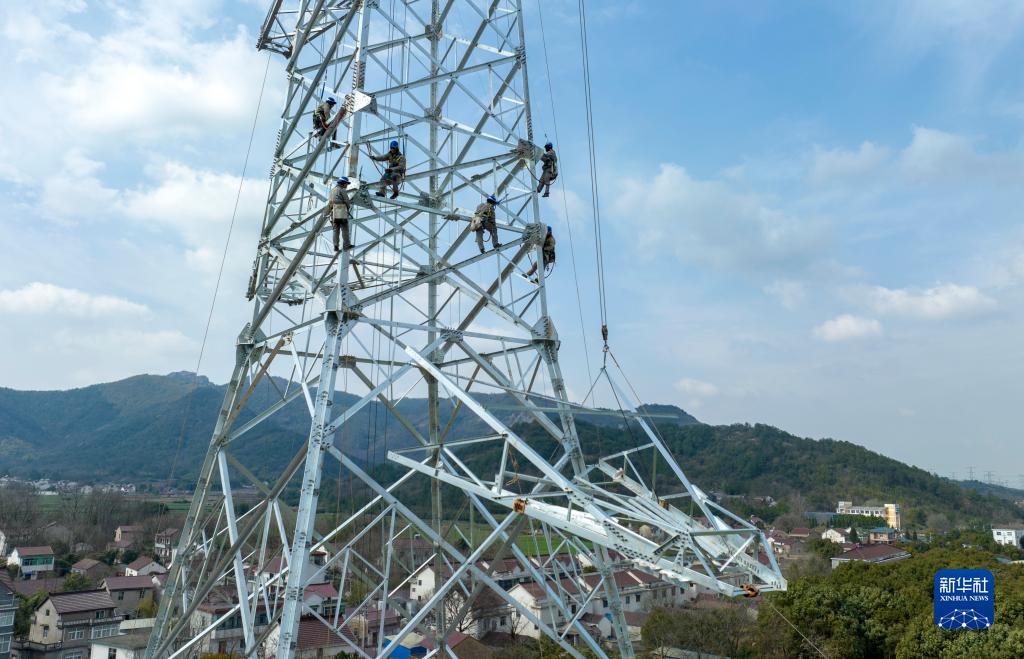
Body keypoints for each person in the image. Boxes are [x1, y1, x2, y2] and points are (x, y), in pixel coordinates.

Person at [327, 176, 353, 251]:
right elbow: (347, 201)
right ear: (343, 183)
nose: (347, 185)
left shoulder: (332, 190)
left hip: (333, 212)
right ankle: (346, 245)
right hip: (341, 210)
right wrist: (348, 208)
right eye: (346, 184)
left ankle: (336, 246)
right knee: (345, 229)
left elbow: (330, 202)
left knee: (336, 229)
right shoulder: (342, 190)